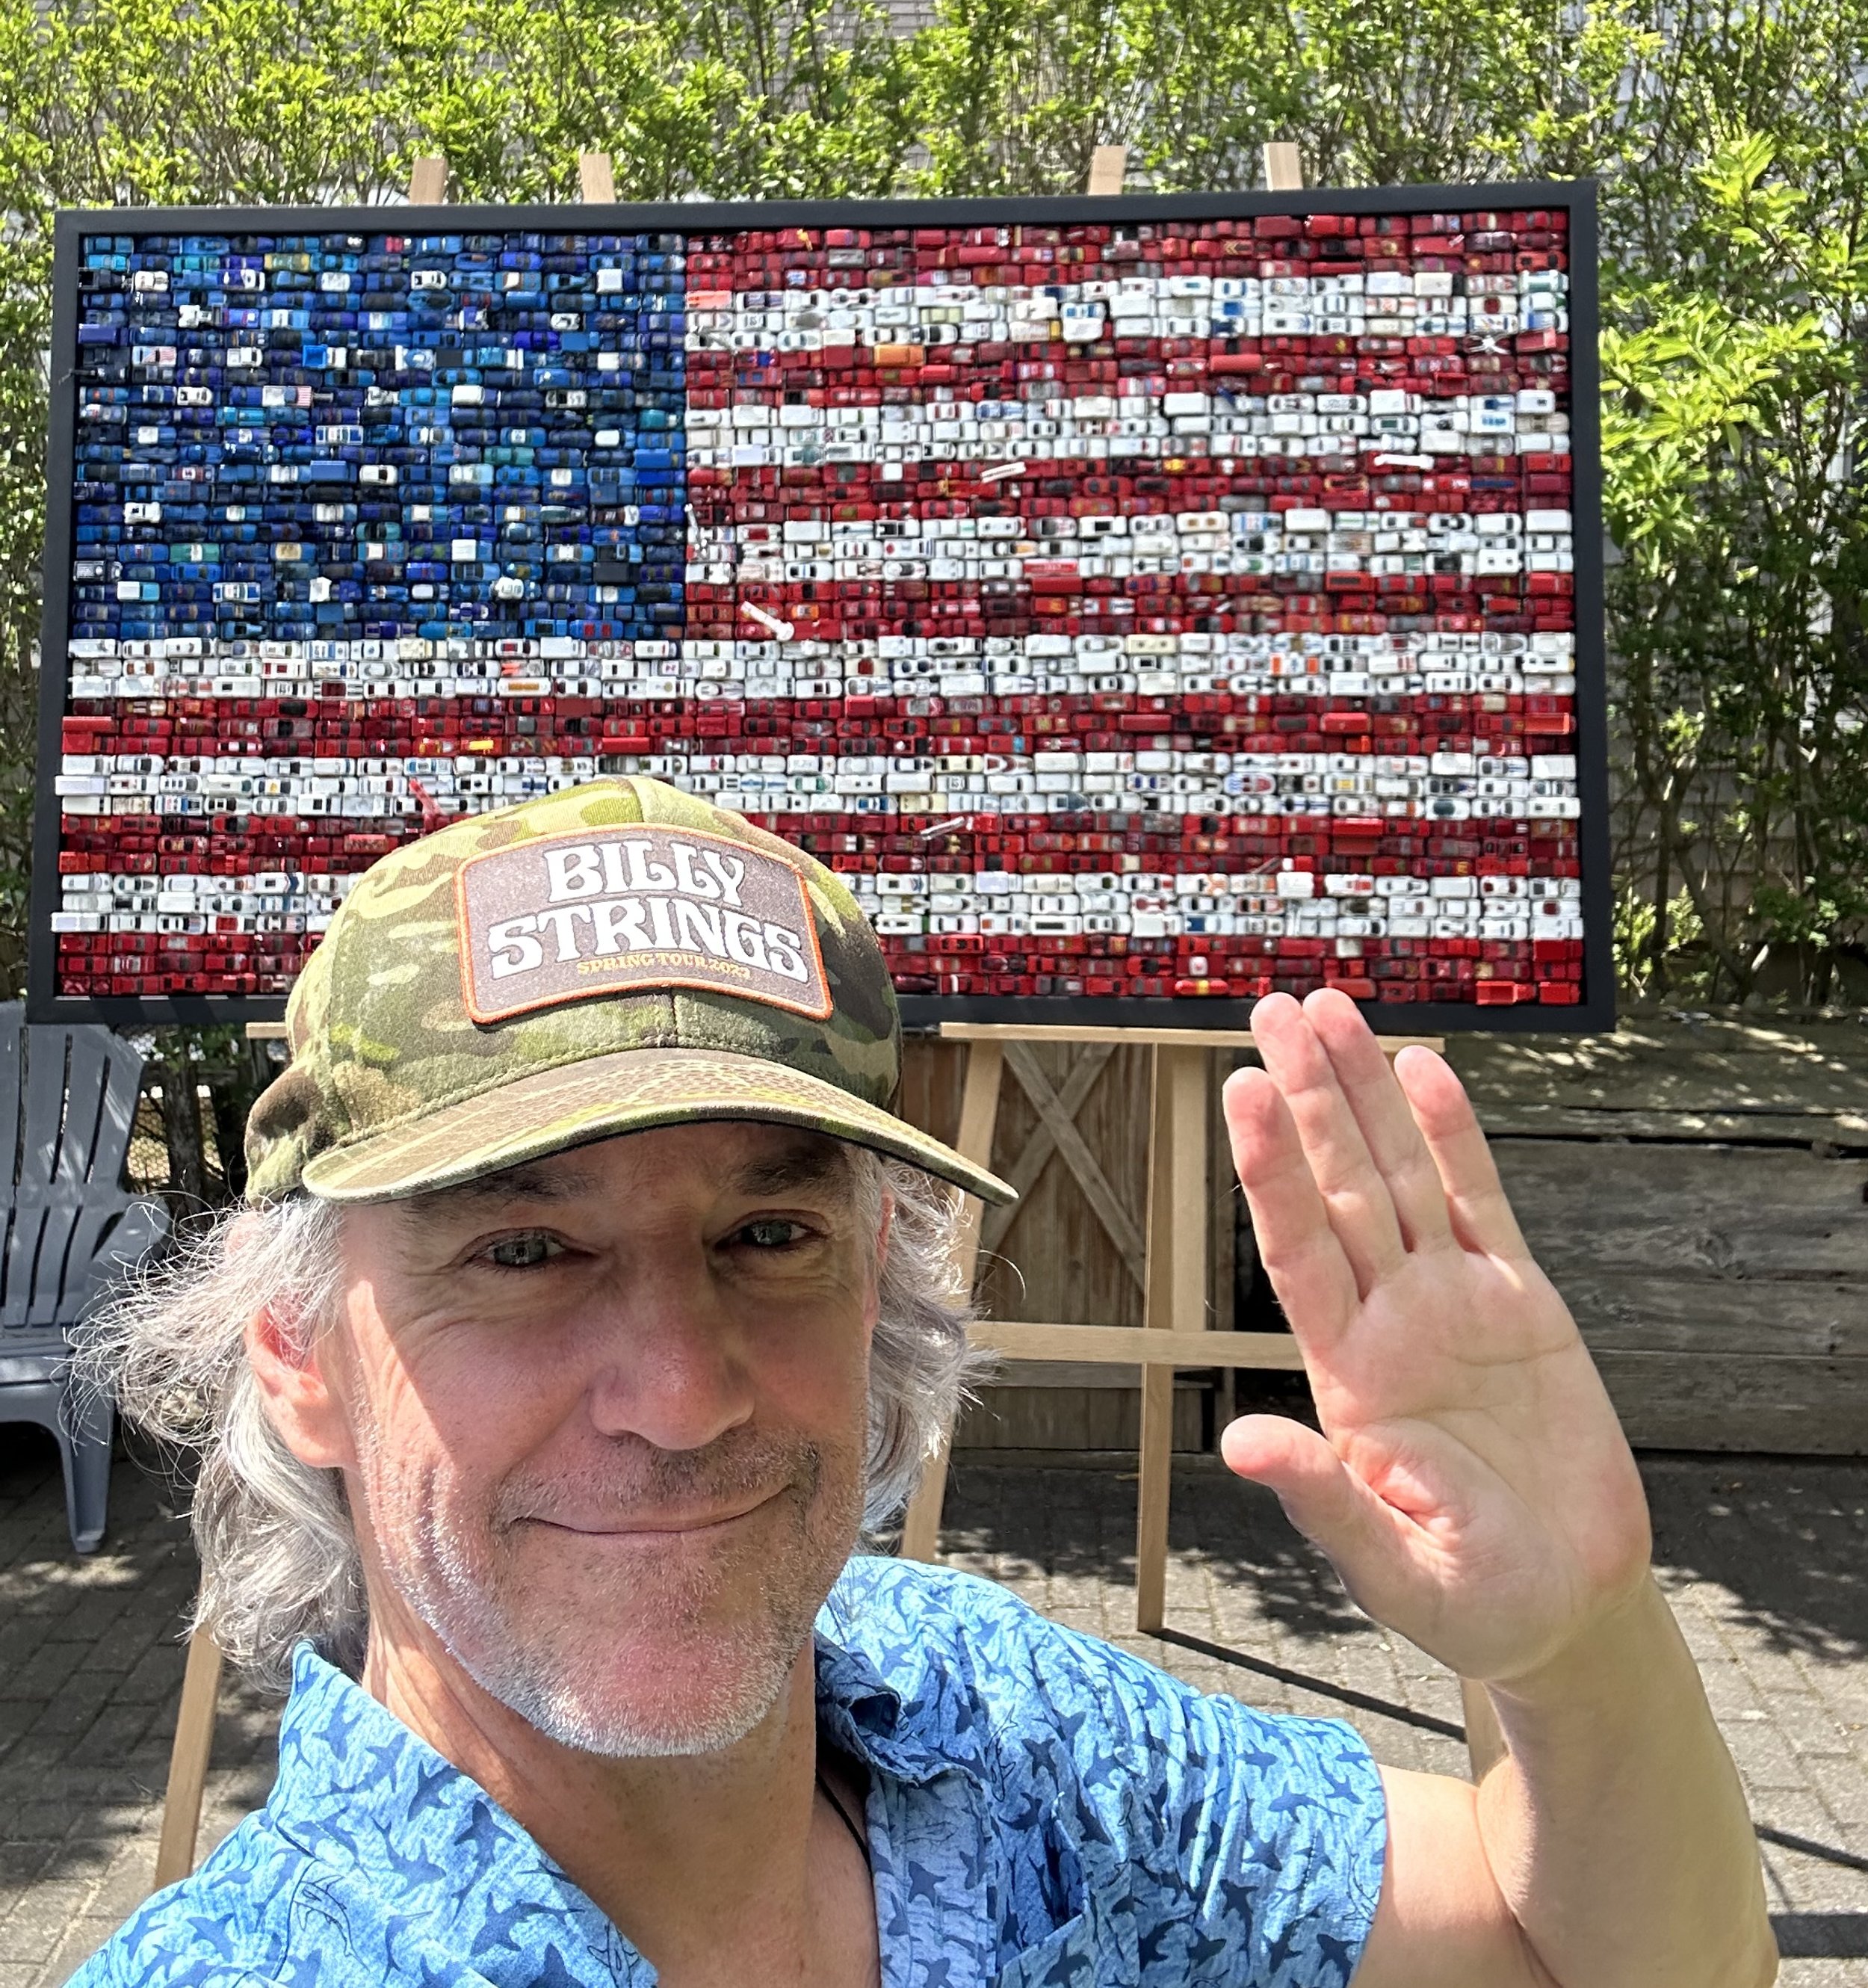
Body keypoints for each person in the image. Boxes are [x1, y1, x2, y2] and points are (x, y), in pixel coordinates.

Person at [76, 777, 1775, 1988]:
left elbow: (1597, 1951)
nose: (681, 1392)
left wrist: (1575, 1645)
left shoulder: (998, 1726)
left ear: (874, 1281)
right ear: (296, 1352)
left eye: (765, 1230)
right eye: (522, 1252)